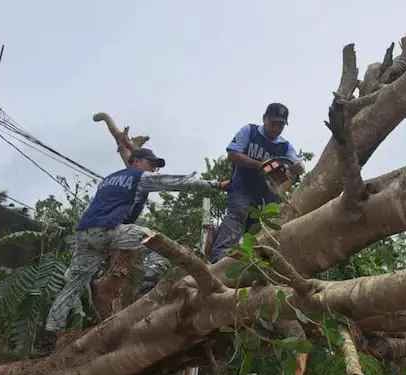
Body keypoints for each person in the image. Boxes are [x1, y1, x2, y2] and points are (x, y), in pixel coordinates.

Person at [31, 148, 228, 357]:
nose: (154, 168)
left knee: (72, 286)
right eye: (150, 163)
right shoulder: (138, 177)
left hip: (84, 233)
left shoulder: (108, 179)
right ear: (135, 161)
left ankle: (47, 338)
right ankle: (148, 285)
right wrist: (214, 185)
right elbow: (175, 182)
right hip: (108, 231)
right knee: (157, 241)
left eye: (155, 165)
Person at [208, 102, 304, 263]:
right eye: (273, 123)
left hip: (268, 199)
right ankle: (219, 259)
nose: (276, 128)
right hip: (243, 189)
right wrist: (260, 165)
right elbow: (232, 154)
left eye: (281, 125)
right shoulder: (249, 131)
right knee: (236, 216)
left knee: (261, 233)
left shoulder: (285, 146)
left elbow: (298, 165)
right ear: (264, 119)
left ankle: (252, 264)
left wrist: (297, 167)